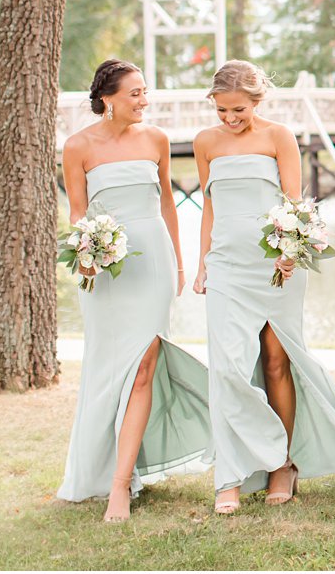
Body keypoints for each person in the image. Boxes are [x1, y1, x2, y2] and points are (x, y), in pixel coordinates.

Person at [194, 60, 335, 513]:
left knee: (276, 362)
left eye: (239, 110)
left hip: (276, 267)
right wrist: (202, 266)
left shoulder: (278, 137)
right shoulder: (205, 142)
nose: (231, 119)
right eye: (222, 111)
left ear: (257, 101)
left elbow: (294, 204)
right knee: (228, 368)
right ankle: (230, 473)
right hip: (227, 268)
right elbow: (210, 209)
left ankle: (282, 465)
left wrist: (291, 250)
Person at [57, 60, 210, 521]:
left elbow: (167, 200)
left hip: (154, 263)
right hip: (106, 270)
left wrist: (179, 262)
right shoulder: (77, 146)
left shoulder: (156, 140)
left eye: (145, 92)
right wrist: (87, 254)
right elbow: (78, 212)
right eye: (135, 94)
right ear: (108, 99)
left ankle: (121, 485)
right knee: (108, 369)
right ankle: (98, 467)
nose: (145, 100)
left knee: (145, 365)